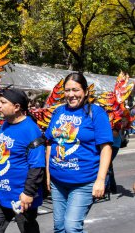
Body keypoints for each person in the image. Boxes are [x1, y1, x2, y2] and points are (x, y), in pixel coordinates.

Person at [45, 72, 112, 233]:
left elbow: (106, 148)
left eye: (75, 90)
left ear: (86, 91)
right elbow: (50, 143)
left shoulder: (95, 113)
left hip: (84, 182)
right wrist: (48, 174)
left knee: (72, 227)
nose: (71, 95)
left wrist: (100, 180)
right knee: (59, 228)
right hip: (58, 181)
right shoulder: (59, 112)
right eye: (67, 90)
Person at [0, 88, 45, 233]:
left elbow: (37, 166)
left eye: (3, 102)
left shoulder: (31, 130)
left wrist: (28, 193)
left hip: (21, 196)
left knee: (28, 229)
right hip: (0, 193)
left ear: (16, 107)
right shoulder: (5, 125)